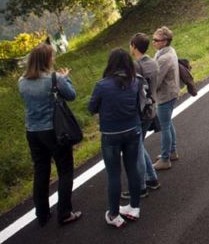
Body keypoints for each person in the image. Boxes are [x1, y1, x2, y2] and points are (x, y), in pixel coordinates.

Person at [19, 43, 82, 227]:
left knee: (41, 171)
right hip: (54, 131)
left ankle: (42, 213)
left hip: (32, 132)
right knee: (65, 170)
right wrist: (65, 79)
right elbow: (71, 95)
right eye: (52, 56)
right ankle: (65, 213)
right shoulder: (54, 79)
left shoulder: (21, 81)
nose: (54, 59)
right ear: (47, 60)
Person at [88, 48, 142, 227]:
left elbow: (92, 108)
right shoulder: (135, 81)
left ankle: (113, 214)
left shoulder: (102, 85)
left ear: (110, 63)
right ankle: (134, 207)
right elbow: (136, 104)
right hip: (133, 129)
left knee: (114, 174)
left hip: (111, 134)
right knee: (132, 168)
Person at [125, 33, 161, 200]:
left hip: (139, 111)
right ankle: (152, 178)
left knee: (136, 149)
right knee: (139, 145)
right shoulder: (154, 62)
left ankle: (140, 187)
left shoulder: (134, 66)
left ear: (134, 46)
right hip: (151, 108)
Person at [152, 26, 180, 171]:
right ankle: (172, 151)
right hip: (170, 93)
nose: (153, 42)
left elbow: (156, 81)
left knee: (164, 127)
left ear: (164, 41)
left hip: (165, 96)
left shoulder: (164, 58)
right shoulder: (168, 51)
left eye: (156, 40)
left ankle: (165, 159)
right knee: (167, 123)